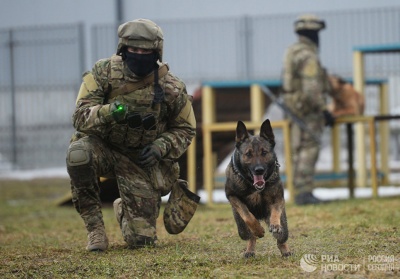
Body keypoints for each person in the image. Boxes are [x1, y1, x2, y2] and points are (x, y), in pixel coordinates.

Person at [66, 18, 198, 251]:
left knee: (142, 242)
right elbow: (79, 116)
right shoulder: (103, 72)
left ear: (156, 51)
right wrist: (108, 112)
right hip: (104, 149)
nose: (138, 54)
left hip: (141, 162)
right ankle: (95, 230)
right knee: (78, 154)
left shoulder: (171, 87)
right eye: (133, 49)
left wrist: (160, 146)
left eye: (144, 50)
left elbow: (186, 128)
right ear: (123, 49)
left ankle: (123, 208)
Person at [281, 14, 335, 206]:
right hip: (308, 109)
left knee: (299, 147)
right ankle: (304, 192)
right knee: (309, 147)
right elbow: (312, 88)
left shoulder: (292, 51)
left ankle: (299, 191)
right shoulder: (308, 55)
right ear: (314, 33)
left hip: (294, 107)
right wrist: (324, 109)